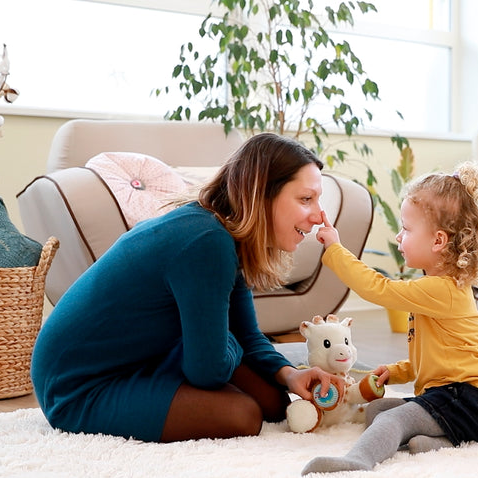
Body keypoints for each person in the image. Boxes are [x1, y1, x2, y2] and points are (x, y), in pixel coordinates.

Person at [31, 132, 346, 443]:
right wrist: (224, 340)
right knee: (243, 415)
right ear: (260, 194)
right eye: (306, 199)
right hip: (76, 385)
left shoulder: (223, 233)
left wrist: (291, 375)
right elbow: (208, 371)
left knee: (274, 401)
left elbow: (247, 336)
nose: (319, 217)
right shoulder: (206, 243)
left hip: (137, 356)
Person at [302, 161, 478, 475]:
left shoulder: (442, 289)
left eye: (407, 229)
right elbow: (438, 358)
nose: (399, 237)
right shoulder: (436, 290)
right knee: (379, 407)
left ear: (438, 241)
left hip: (471, 400)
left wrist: (335, 249)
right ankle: (438, 442)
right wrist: (395, 372)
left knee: (390, 418)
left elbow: (376, 288)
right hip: (457, 398)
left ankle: (358, 461)